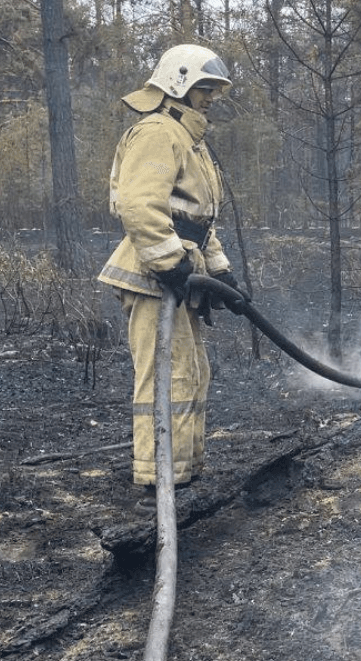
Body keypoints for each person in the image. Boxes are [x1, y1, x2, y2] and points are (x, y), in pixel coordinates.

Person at [98, 44, 247, 509]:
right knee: (167, 375)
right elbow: (140, 206)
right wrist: (169, 263)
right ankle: (156, 480)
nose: (210, 98)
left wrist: (220, 273)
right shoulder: (158, 133)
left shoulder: (188, 139)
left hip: (180, 271)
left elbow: (197, 220)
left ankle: (180, 471)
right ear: (178, 84)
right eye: (204, 88)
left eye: (213, 90)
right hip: (152, 275)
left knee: (192, 372)